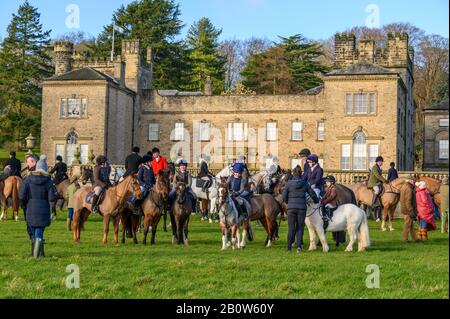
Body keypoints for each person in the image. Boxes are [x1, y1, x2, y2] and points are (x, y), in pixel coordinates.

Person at [19, 155, 57, 258]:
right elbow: (51, 199)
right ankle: (39, 254)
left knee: (32, 230)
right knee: (39, 230)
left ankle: (36, 254)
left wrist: (23, 205)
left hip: (30, 208)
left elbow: (21, 196)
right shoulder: (49, 182)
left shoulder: (27, 179)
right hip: (44, 208)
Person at [282, 165, 319, 253]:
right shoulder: (304, 183)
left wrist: (288, 202)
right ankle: (299, 247)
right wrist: (316, 201)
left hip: (291, 208)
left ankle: (289, 248)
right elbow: (312, 193)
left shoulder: (288, 184)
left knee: (291, 228)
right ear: (301, 173)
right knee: (300, 227)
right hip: (302, 208)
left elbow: (284, 197)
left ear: (293, 173)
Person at [368, 156, 388, 221]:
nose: (381, 163)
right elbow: (378, 176)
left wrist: (385, 180)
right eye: (380, 162)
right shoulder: (374, 167)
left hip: (378, 182)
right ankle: (373, 204)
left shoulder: (379, 168)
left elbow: (380, 176)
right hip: (373, 183)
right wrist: (384, 180)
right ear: (377, 162)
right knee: (377, 190)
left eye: (381, 162)